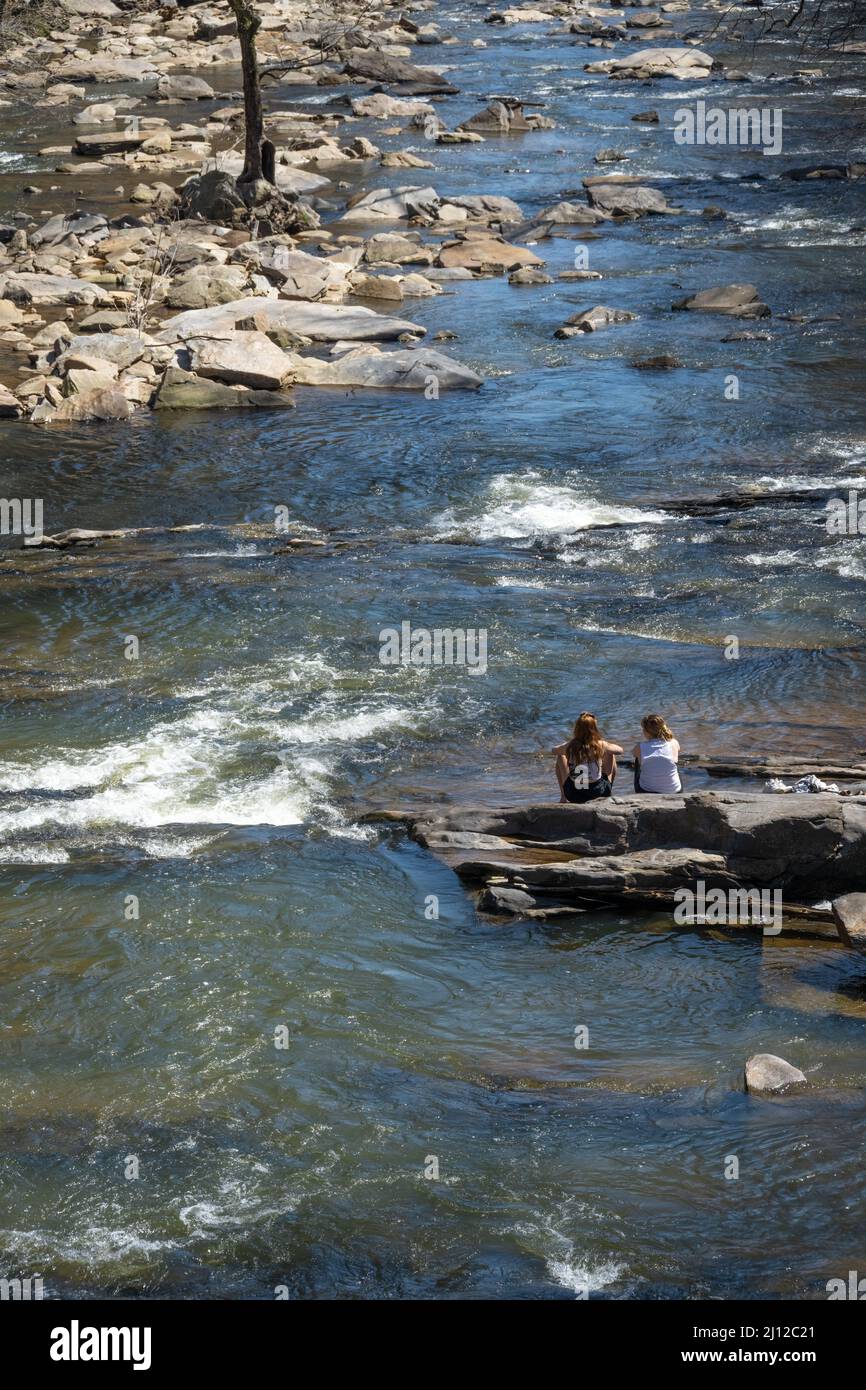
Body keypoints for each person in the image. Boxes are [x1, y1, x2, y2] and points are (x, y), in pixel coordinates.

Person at [553, 712, 623, 804]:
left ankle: (563, 797)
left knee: (560, 756)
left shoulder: (571, 745)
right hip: (598, 793)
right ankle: (608, 792)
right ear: (594, 728)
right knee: (611, 753)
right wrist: (603, 746)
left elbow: (554, 750)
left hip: (574, 795)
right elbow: (620, 750)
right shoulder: (600, 744)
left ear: (577, 728)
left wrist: (567, 747)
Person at [633, 714, 682, 793]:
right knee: (673, 760)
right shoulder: (673, 742)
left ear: (646, 732)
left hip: (646, 790)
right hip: (674, 790)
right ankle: (669, 782)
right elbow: (678, 749)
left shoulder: (640, 746)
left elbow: (633, 753)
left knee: (637, 759)